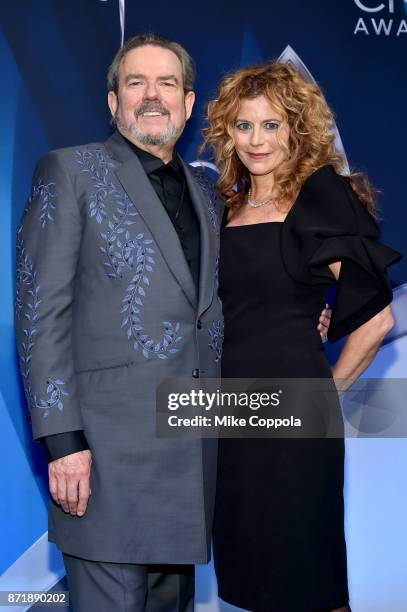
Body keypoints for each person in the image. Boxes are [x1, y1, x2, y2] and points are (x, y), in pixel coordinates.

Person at [15, 35, 331, 610]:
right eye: (136, 83)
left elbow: (230, 297)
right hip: (105, 464)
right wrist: (63, 443)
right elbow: (40, 313)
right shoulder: (70, 170)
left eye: (167, 84)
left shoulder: (213, 194)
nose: (152, 96)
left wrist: (309, 313)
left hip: (192, 463)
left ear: (188, 105)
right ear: (113, 102)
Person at [203, 62, 401, 612]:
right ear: (227, 133)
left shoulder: (319, 200)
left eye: (272, 125)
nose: (257, 139)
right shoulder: (223, 208)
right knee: (252, 579)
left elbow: (377, 319)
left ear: (297, 129)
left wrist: (326, 395)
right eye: (244, 126)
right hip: (232, 415)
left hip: (295, 420)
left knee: (308, 575)